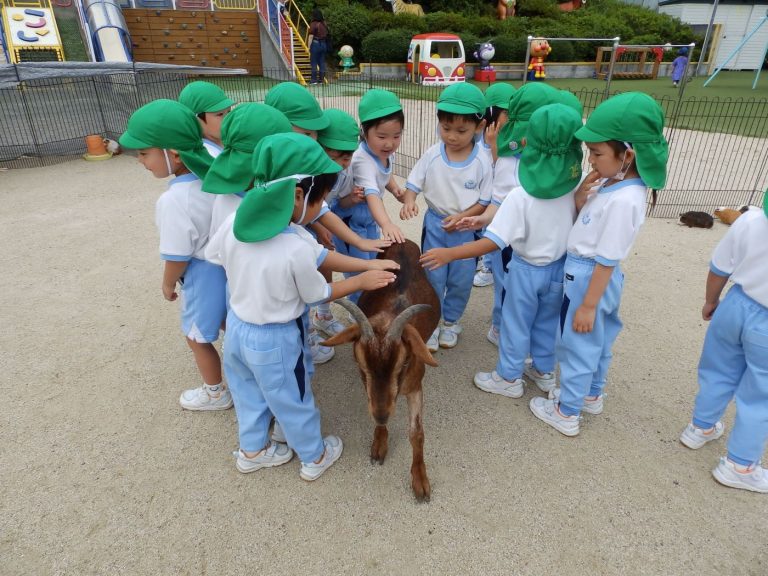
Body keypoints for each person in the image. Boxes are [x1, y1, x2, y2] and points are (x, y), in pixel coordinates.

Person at [205, 133, 397, 478]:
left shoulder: (236, 224)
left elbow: (215, 255)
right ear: (297, 195)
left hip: (237, 330)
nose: (321, 208)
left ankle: (253, 450)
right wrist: (361, 282)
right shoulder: (294, 247)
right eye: (319, 199)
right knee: (293, 396)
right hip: (275, 339)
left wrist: (368, 263)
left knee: (248, 391)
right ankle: (314, 455)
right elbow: (318, 294)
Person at [528, 92, 669, 437]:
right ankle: (591, 393)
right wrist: (580, 197)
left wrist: (588, 305)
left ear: (628, 154)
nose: (590, 160)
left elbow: (606, 258)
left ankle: (566, 411)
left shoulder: (624, 200)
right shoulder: (614, 184)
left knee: (576, 343)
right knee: (598, 341)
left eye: (597, 153)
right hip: (594, 275)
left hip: (589, 277)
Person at [420, 104, 583, 396]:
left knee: (514, 323)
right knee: (547, 323)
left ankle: (508, 378)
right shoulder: (576, 188)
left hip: (524, 270)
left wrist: (450, 254)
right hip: (559, 270)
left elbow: (492, 242)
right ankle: (544, 371)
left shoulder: (520, 195)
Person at [118, 99, 230, 411]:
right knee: (227, 320)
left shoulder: (174, 200)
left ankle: (215, 392)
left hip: (201, 273)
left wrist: (168, 284)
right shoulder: (216, 169)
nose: (141, 161)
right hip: (228, 265)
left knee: (196, 336)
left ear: (174, 154)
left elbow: (178, 255)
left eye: (144, 153)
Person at [461, 84, 580, 347]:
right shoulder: (560, 163)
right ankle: (506, 328)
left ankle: (507, 335)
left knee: (515, 293)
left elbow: (500, 197)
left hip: (520, 245)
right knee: (519, 293)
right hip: (527, 245)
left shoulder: (516, 158)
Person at [679, 191, 768, 493]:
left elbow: (719, 266)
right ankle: (739, 465)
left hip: (736, 303)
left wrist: (710, 301)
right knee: (760, 395)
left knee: (717, 370)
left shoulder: (752, 218)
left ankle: (699, 427)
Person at [401, 83, 493, 351]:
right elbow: (414, 182)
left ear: (480, 126)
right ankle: (430, 324)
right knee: (433, 277)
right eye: (446, 128)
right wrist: (409, 200)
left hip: (466, 231)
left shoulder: (483, 161)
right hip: (436, 225)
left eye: (461, 130)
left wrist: (464, 217)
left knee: (461, 280)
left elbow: (485, 202)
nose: (452, 136)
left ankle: (451, 322)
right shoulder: (432, 154)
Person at [311, 108, 392, 336]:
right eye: (339, 157)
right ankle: (317, 317)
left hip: (329, 221)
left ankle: (328, 312)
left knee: (327, 263)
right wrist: (319, 226)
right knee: (316, 269)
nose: (345, 163)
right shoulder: (313, 172)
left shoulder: (345, 169)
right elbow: (314, 209)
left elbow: (334, 205)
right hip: (312, 223)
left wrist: (350, 199)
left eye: (349, 157)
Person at [473, 82, 517, 290]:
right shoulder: (479, 136)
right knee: (481, 228)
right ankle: (483, 259)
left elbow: (501, 167)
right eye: (506, 113)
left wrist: (494, 145)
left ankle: (489, 267)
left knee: (493, 229)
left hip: (498, 197)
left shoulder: (506, 139)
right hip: (481, 194)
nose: (509, 119)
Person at [178, 81, 235, 157]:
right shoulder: (209, 155)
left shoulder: (225, 141)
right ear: (195, 119)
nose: (228, 118)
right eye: (220, 114)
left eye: (228, 112)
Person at [308, 9, 329, 85]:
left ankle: (313, 80)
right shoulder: (324, 24)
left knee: (314, 62)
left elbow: (310, 36)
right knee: (322, 62)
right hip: (324, 45)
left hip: (315, 44)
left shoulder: (314, 24)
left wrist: (308, 47)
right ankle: (321, 80)